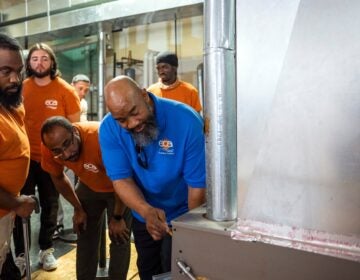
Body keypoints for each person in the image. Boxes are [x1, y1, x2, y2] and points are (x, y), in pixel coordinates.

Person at [99, 75, 206, 279]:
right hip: (143, 212)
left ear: (144, 95)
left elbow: (197, 186)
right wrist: (145, 211)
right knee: (147, 267)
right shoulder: (109, 129)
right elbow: (121, 179)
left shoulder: (187, 121)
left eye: (134, 113)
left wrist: (192, 231)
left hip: (184, 213)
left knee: (176, 268)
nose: (131, 124)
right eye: (121, 120)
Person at [13, 42, 81, 272]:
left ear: (52, 62)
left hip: (52, 158)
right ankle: (22, 255)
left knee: (51, 205)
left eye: (44, 58)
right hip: (23, 158)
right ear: (28, 63)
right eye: (34, 59)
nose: (39, 62)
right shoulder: (20, 88)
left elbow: (75, 127)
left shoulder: (65, 90)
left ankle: (46, 250)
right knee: (20, 206)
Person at [40, 116, 132, 280]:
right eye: (58, 151)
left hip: (119, 186)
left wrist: (117, 217)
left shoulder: (100, 139)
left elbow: (122, 180)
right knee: (84, 232)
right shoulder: (50, 146)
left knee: (119, 237)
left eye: (68, 143)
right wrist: (78, 208)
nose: (66, 154)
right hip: (89, 183)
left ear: (74, 131)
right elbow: (58, 178)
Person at [0, 33, 36, 276]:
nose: (15, 79)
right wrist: (16, 203)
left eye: (19, 71)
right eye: (5, 71)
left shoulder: (10, 103)